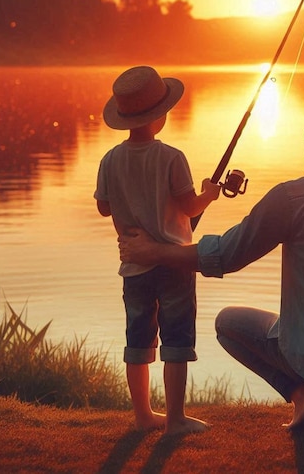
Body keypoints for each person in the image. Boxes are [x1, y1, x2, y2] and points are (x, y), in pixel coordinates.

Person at [119, 86, 304, 431]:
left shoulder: (293, 197)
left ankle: (301, 393)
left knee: (228, 323)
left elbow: (227, 255)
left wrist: (156, 252)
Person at [94, 65, 220, 435]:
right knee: (177, 338)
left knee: (138, 339)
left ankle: (144, 416)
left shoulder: (110, 160)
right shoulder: (171, 157)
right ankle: (176, 418)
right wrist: (209, 194)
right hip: (174, 264)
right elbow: (189, 207)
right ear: (161, 115)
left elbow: (103, 207)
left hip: (134, 267)